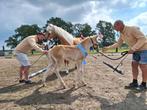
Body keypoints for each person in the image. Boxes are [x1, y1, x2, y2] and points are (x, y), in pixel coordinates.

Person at [103, 20, 147, 91]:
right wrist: (108, 48)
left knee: (143, 66)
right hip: (135, 51)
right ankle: (135, 82)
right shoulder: (121, 34)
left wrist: (133, 48)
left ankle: (144, 85)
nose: (114, 29)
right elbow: (118, 44)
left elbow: (143, 39)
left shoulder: (132, 29)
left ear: (119, 24)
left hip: (144, 49)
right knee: (134, 65)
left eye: (115, 27)